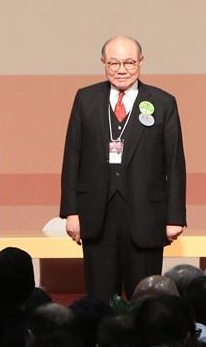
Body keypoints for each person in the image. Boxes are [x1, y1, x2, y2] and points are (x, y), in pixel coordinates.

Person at [59, 35, 186, 301]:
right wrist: (71, 212)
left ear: (141, 62)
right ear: (103, 63)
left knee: (146, 300)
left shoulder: (163, 102)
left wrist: (175, 217)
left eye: (129, 62)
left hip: (146, 216)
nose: (121, 70)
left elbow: (174, 164)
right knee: (101, 300)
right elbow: (72, 157)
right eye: (114, 63)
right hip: (97, 216)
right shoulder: (86, 99)